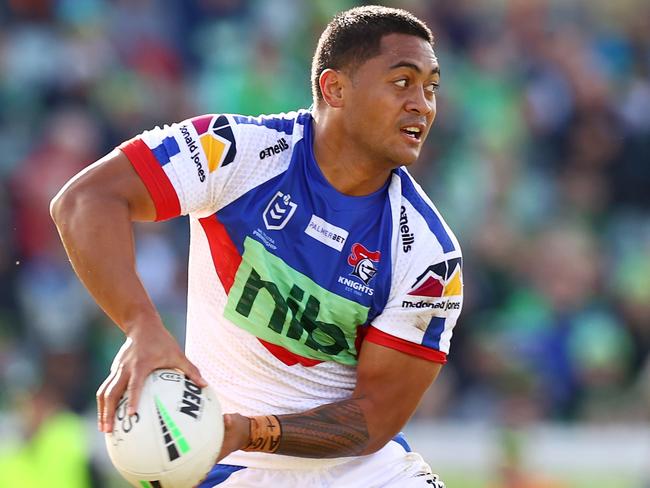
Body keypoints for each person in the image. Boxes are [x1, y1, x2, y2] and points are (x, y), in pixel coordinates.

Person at [51, 6, 462, 487]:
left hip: (364, 472)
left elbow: (372, 422)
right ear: (335, 89)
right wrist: (141, 326)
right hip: (226, 467)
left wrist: (252, 431)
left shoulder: (429, 256)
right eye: (402, 82)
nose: (423, 104)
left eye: (430, 87)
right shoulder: (234, 152)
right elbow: (84, 200)